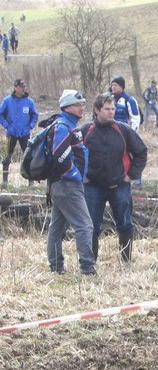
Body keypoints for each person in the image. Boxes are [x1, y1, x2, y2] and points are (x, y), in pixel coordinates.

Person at [81, 93, 148, 264]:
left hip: (119, 185)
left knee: (125, 225)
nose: (111, 112)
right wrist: (82, 176)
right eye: (107, 109)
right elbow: (75, 155)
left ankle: (126, 263)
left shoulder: (123, 129)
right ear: (96, 110)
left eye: (113, 109)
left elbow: (141, 152)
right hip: (93, 186)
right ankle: (90, 265)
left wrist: (131, 175)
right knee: (91, 227)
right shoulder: (85, 131)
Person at [46, 90, 95, 275]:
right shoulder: (62, 126)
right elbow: (60, 157)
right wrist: (75, 175)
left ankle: (56, 267)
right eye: (77, 105)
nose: (82, 108)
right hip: (66, 184)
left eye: (83, 104)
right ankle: (87, 268)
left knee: (57, 227)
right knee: (84, 225)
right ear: (66, 107)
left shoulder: (68, 125)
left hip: (61, 184)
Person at [0, 78, 37, 188]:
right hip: (11, 133)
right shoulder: (7, 101)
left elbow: (34, 115)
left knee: (28, 157)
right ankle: (5, 182)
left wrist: (29, 127)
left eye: (24, 87)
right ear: (15, 87)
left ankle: (31, 182)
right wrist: (7, 126)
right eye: (21, 87)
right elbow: (0, 114)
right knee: (7, 157)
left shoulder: (29, 102)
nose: (23, 89)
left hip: (24, 134)